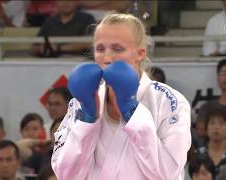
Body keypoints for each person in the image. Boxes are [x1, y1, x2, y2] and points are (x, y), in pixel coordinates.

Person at [51, 13, 191, 180]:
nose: (107, 58)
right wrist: (86, 121)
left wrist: (132, 112)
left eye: (118, 49)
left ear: (140, 53)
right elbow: (65, 175)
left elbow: (168, 174)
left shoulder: (169, 102)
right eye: (100, 49)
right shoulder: (80, 104)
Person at [31, 0, 96, 57]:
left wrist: (59, 49)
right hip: (51, 62)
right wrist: (41, 48)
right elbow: (34, 47)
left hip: (78, 61)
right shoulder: (50, 21)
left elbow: (91, 43)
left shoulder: (87, 19)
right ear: (56, 2)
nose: (66, 3)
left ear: (77, 2)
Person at [195, 109, 226, 175]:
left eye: (222, 123)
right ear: (206, 128)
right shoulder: (197, 154)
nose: (216, 127)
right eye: (212, 123)